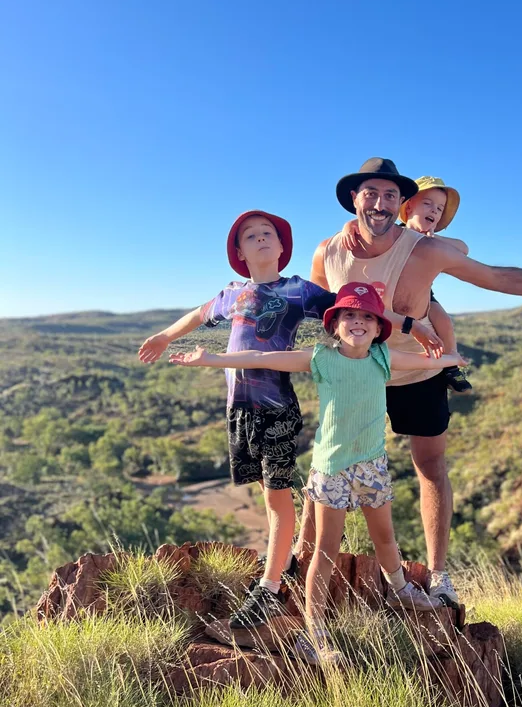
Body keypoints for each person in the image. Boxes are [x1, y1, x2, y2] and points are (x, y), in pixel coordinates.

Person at [306, 157, 522, 608]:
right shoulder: (328, 249)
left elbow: (495, 277)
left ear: (401, 202)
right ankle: (302, 561)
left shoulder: (426, 250)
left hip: (419, 370)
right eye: (370, 194)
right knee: (327, 463)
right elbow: (319, 302)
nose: (379, 204)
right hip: (358, 374)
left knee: (431, 467)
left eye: (389, 195)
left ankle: (438, 575)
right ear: (354, 198)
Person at [169, 282, 467, 664]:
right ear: (334, 325)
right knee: (324, 552)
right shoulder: (322, 358)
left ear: (378, 327)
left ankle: (399, 587)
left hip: (372, 466)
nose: (357, 322)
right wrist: (209, 359)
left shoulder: (382, 358)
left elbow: (425, 363)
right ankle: (316, 633)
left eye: (366, 317)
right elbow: (262, 357)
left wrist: (451, 360)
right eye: (348, 315)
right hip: (331, 471)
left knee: (386, 539)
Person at [138, 210, 336, 628]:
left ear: (282, 248)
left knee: (276, 499)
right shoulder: (233, 293)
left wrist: (406, 323)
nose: (262, 239)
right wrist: (165, 336)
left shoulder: (300, 290)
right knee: (270, 493)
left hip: (276, 407)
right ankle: (282, 562)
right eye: (251, 236)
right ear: (240, 252)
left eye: (269, 234)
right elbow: (197, 314)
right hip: (240, 410)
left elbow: (351, 311)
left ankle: (270, 589)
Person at [341, 174, 471, 392]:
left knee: (443, 320)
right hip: (382, 287)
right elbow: (362, 223)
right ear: (408, 207)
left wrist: (431, 240)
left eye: (439, 209)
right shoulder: (392, 230)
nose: (433, 211)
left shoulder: (430, 242)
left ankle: (451, 364)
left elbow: (463, 248)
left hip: (421, 293)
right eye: (427, 204)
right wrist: (348, 226)